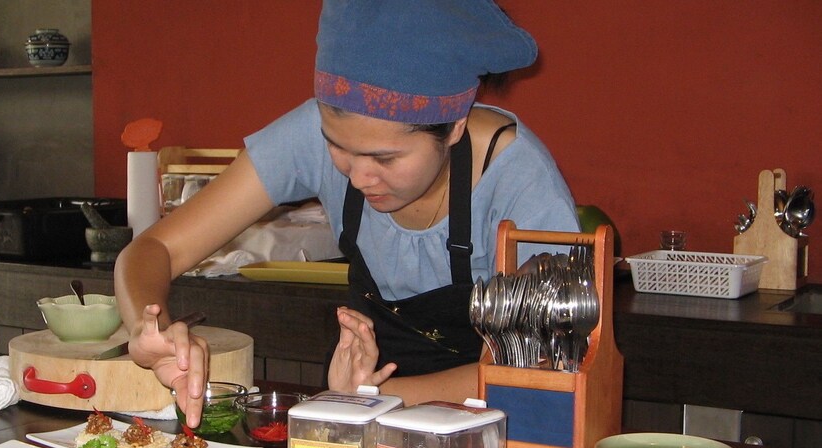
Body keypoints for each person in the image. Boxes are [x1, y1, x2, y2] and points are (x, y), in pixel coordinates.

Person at [115, 0, 580, 425]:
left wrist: (375, 396)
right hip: (358, 408)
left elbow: (545, 361)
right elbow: (154, 247)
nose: (357, 177)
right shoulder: (310, 134)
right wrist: (147, 329)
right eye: (338, 146)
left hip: (496, 430)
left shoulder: (521, 183)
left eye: (385, 159)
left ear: (454, 125)